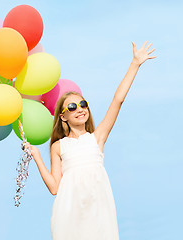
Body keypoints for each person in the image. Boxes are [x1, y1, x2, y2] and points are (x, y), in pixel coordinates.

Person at [24, 41, 156, 239]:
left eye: (83, 104)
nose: (79, 109)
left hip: (98, 210)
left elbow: (118, 100)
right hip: (68, 212)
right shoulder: (59, 146)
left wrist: (135, 64)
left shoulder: (97, 137)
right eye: (72, 107)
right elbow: (54, 188)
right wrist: (36, 156)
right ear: (62, 116)